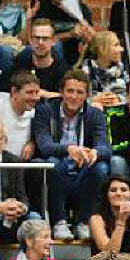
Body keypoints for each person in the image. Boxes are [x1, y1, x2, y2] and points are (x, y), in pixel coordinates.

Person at [32, 69, 110, 242]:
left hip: (82, 170)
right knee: (53, 163)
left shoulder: (95, 115)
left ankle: (83, 221)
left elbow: (105, 146)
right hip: (57, 170)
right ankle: (59, 221)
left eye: (79, 92)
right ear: (61, 92)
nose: (74, 97)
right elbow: (44, 145)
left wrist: (94, 152)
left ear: (87, 95)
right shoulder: (45, 110)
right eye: (70, 91)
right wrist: (69, 149)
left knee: (101, 167)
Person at [33, 0, 93, 66]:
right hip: (47, 62)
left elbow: (95, 41)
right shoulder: (39, 7)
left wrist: (85, 30)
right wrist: (69, 34)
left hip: (75, 61)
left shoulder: (81, 8)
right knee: (55, 46)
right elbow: (34, 42)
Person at [0, 70, 39, 159]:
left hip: (20, 165)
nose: (35, 97)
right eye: (29, 92)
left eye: (37, 92)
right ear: (14, 91)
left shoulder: (35, 113)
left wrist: (32, 143)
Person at [13, 19, 68, 99]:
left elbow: (69, 98)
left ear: (53, 41)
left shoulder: (63, 71)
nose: (40, 42)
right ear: (31, 40)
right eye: (36, 38)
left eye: (45, 38)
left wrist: (45, 94)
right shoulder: (21, 65)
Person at [80, 31, 129, 111]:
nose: (121, 49)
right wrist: (93, 100)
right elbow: (78, 99)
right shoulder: (86, 70)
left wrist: (118, 99)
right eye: (116, 45)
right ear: (102, 49)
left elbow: (129, 95)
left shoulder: (121, 68)